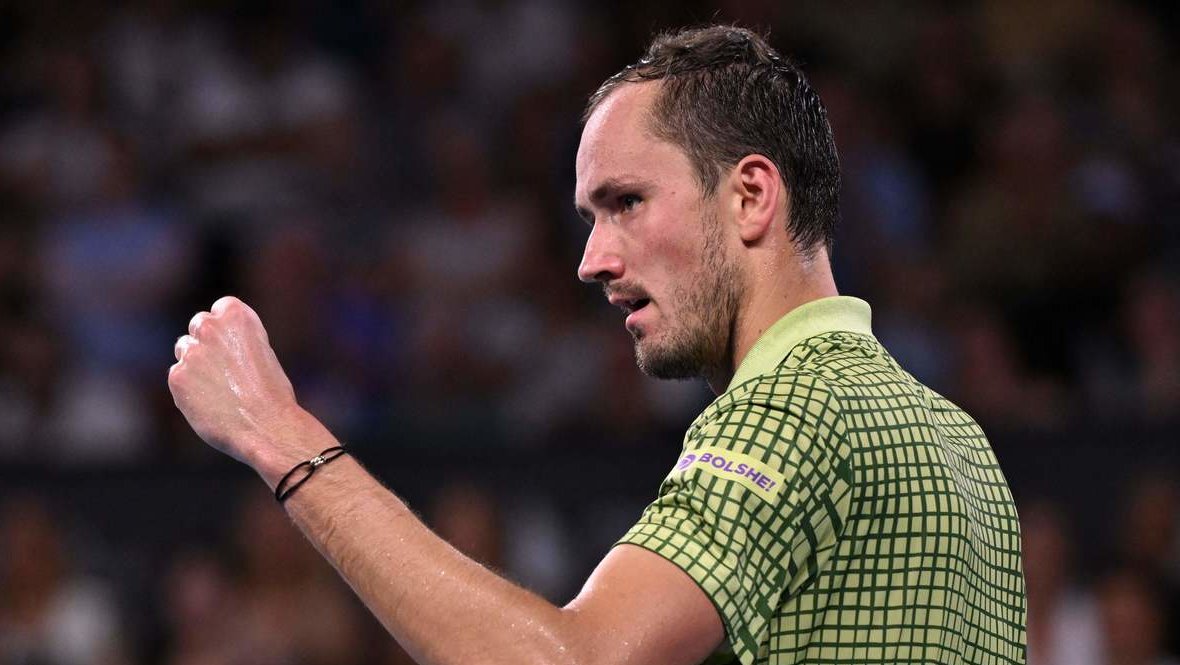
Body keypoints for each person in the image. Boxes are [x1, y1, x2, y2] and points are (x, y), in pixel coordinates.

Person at [168, 25, 1027, 665]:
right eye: (589, 217)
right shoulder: (960, 440)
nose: (592, 260)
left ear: (751, 196)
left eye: (626, 203)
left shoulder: (792, 407)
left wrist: (278, 432)